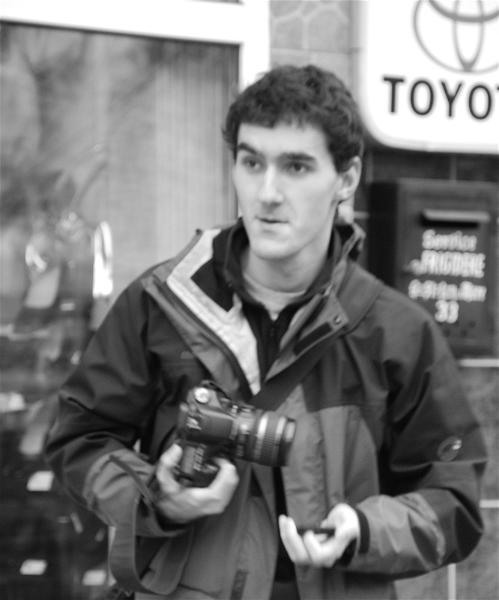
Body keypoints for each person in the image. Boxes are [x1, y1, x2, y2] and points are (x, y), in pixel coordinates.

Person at [45, 64, 487, 600]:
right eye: (251, 162)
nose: (267, 193)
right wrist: (156, 495)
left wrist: (364, 530)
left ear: (346, 179)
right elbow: (79, 438)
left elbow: (454, 501)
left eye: (296, 166)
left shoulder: (395, 332)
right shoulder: (160, 302)